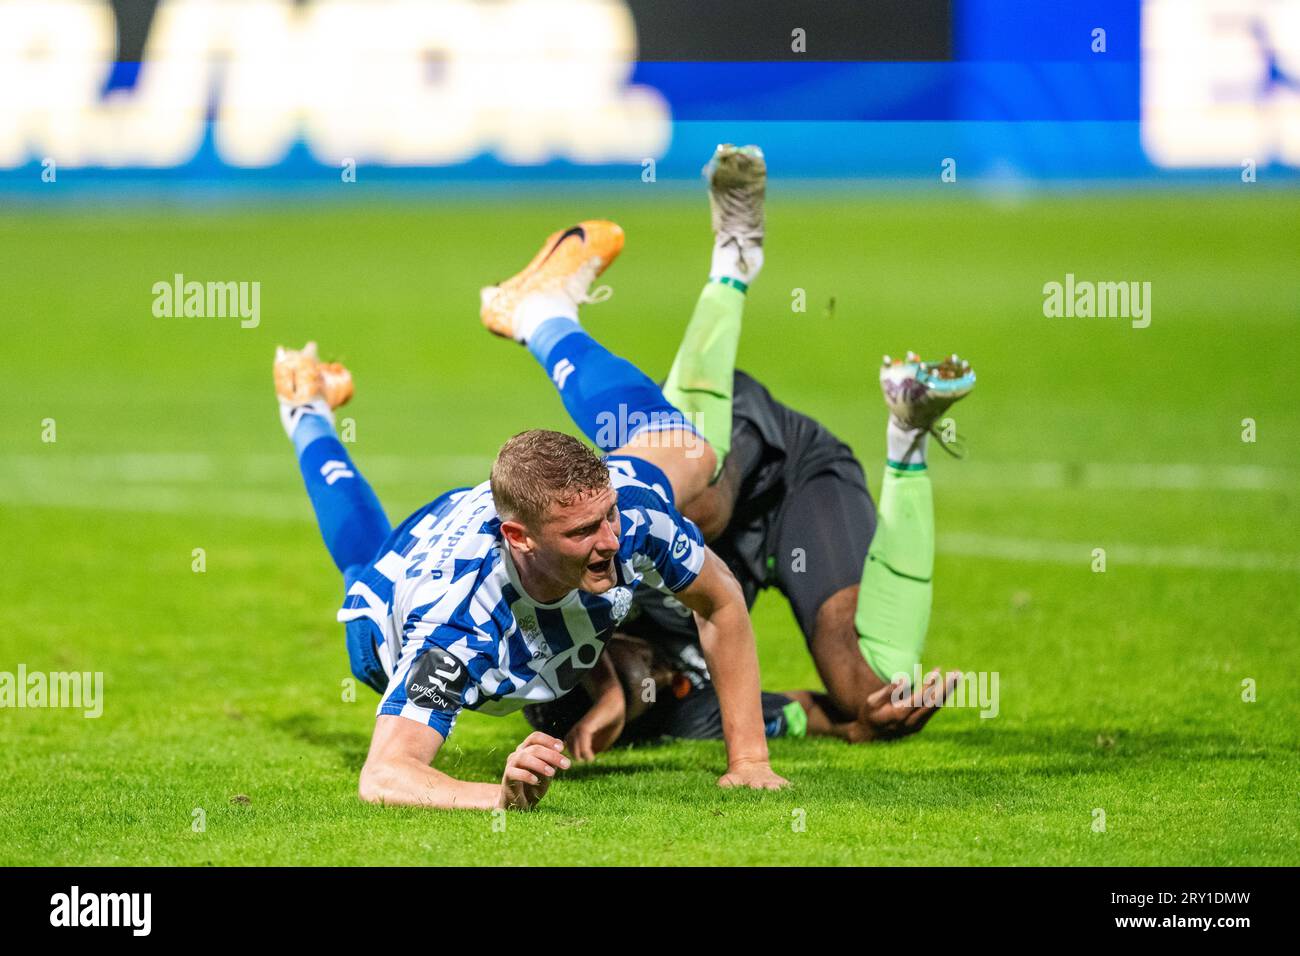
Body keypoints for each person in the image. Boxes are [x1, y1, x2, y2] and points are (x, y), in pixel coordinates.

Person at [274, 220, 788, 812]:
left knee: (686, 450)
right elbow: (385, 775)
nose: (612, 544)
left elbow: (720, 601)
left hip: (499, 516)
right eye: (583, 533)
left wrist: (749, 761)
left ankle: (539, 313)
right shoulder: (454, 630)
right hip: (395, 603)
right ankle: (305, 409)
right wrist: (498, 795)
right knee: (364, 567)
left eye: (609, 518)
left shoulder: (626, 517)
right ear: (517, 537)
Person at [511, 145, 975, 753]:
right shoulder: (691, 714)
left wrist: (611, 703)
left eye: (619, 680)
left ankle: (729, 257)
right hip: (805, 483)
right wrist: (867, 719)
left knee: (696, 498)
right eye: (648, 693)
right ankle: (909, 433)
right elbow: (824, 713)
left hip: (735, 443)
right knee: (870, 689)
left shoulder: (597, 574)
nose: (654, 680)